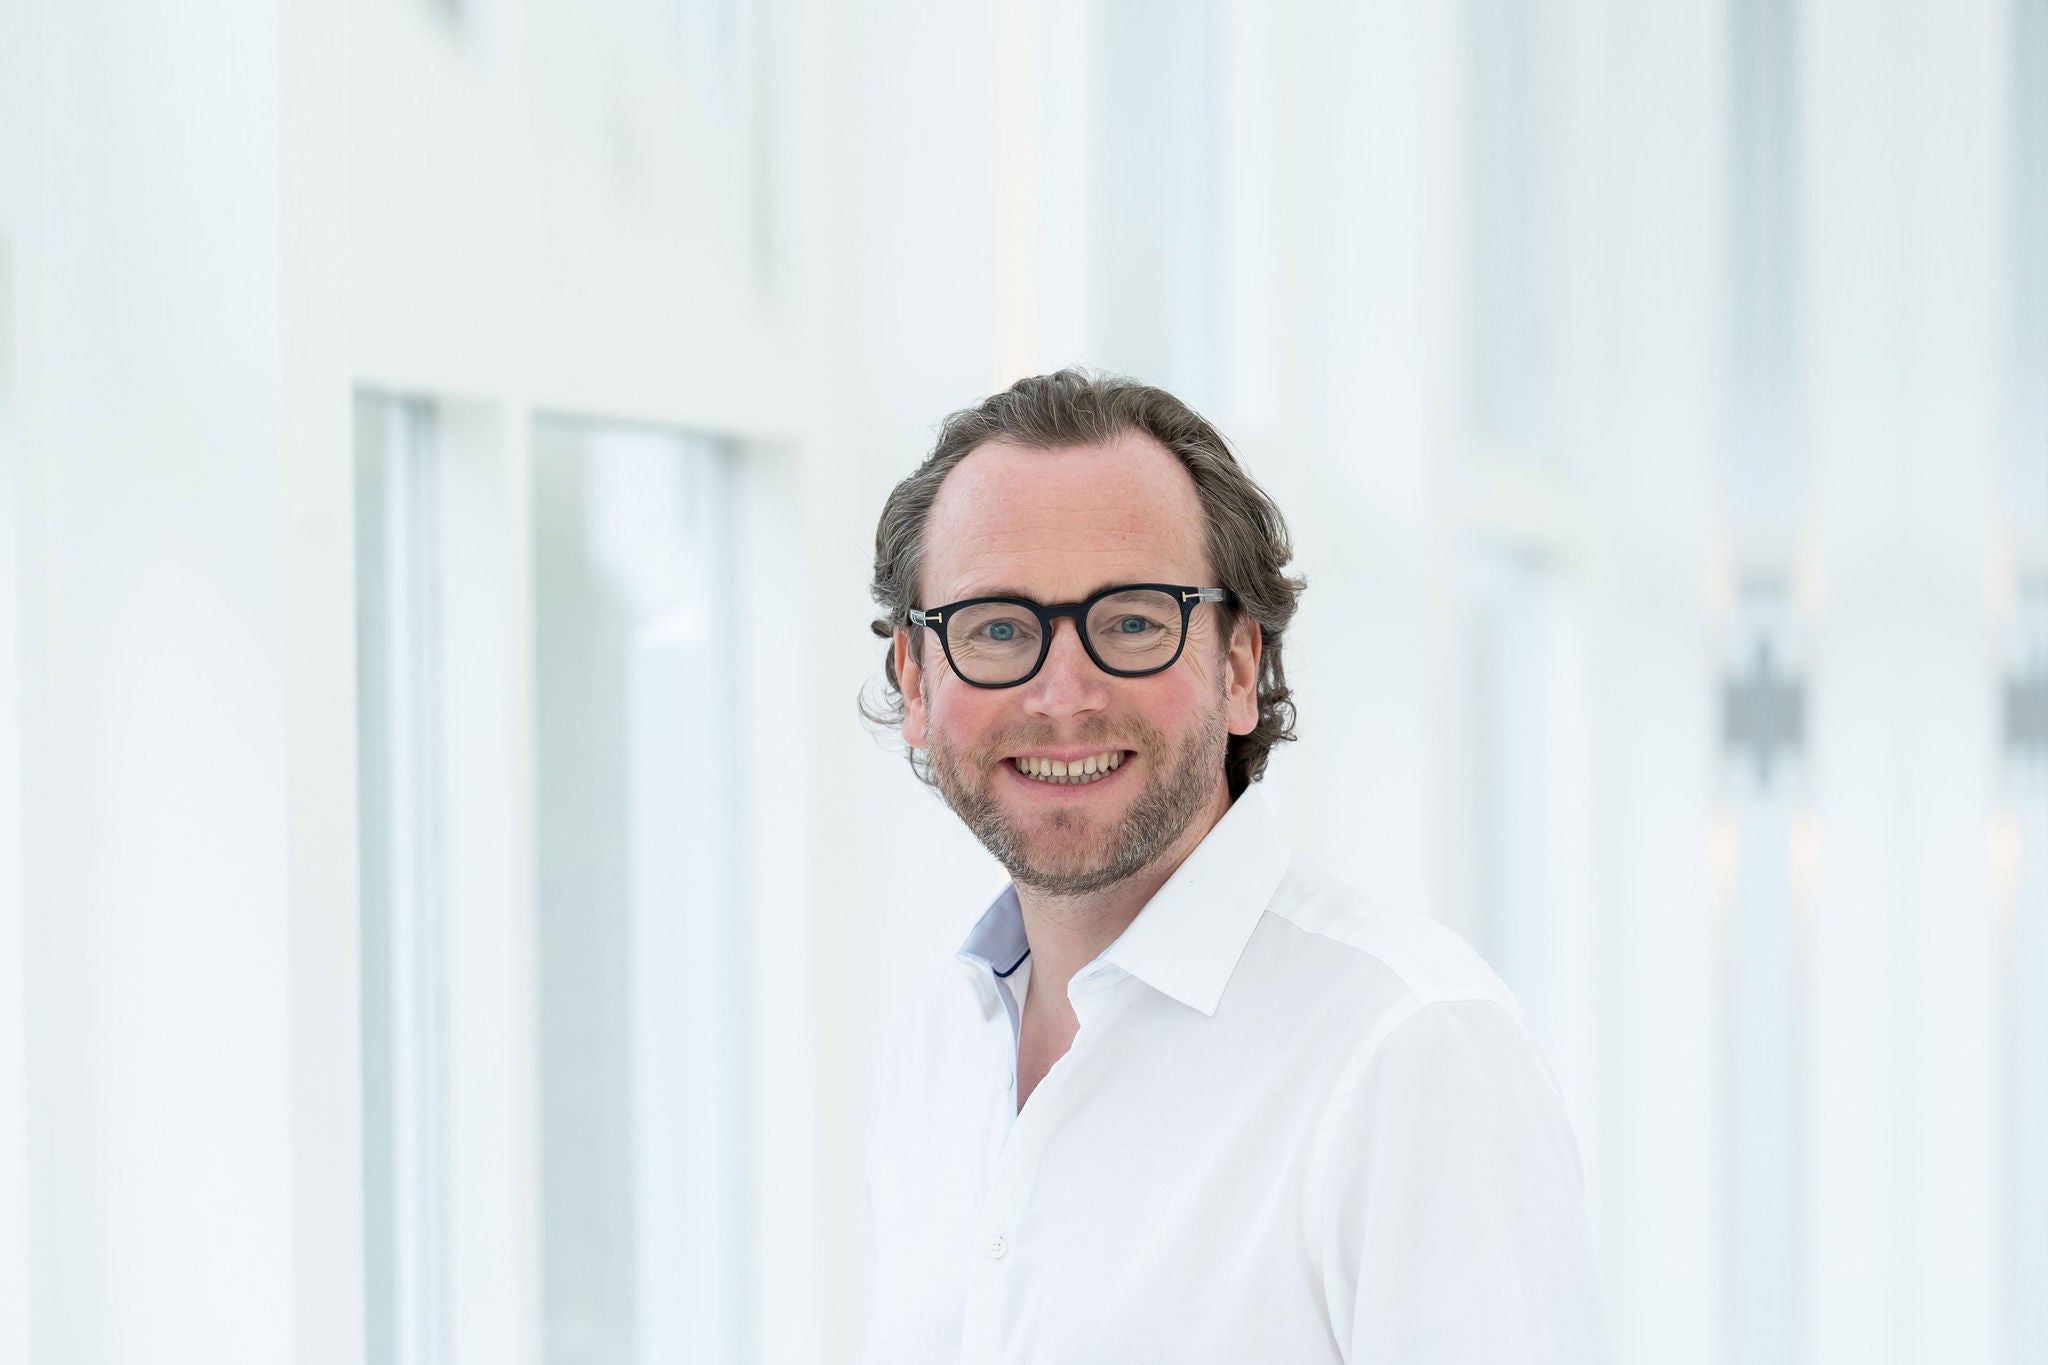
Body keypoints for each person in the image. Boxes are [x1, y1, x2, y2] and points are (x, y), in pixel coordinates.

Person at [860, 369, 1609, 1363]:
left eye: (1132, 622)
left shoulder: (1407, 1051)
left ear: (1241, 665)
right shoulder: (941, 1046)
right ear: (914, 682)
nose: (1062, 694)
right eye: (996, 628)